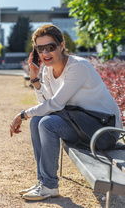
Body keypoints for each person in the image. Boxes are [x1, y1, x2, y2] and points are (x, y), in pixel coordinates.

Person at [10, 24, 123, 201]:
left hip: (104, 130)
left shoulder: (77, 67)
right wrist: (35, 79)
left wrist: (22, 114)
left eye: (51, 47)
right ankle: (43, 182)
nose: (45, 53)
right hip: (82, 124)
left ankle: (49, 185)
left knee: (47, 124)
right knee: (37, 120)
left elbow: (55, 104)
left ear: (61, 46)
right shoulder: (47, 70)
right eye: (40, 49)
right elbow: (46, 104)